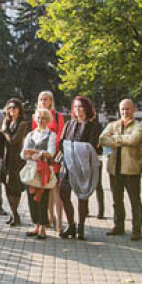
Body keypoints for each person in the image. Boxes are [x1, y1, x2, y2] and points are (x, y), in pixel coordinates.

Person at [99, 99, 142, 240]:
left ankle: (136, 230)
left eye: (128, 109)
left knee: (134, 201)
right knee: (116, 200)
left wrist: (116, 139)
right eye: (123, 109)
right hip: (114, 169)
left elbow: (135, 140)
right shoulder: (113, 124)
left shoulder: (139, 125)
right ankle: (118, 226)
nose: (125, 111)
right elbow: (102, 139)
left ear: (134, 109)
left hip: (131, 169)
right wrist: (124, 140)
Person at [58, 96, 103, 240]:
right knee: (63, 192)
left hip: (84, 166)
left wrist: (74, 149)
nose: (78, 110)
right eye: (75, 107)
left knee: (82, 196)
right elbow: (61, 142)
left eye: (81, 107)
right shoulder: (69, 124)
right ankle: (71, 224)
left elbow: (92, 146)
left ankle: (81, 227)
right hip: (68, 164)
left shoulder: (94, 126)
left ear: (87, 108)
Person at [33, 91, 66, 232]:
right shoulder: (36, 116)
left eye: (46, 99)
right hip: (42, 158)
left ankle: (59, 221)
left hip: (54, 157)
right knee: (44, 189)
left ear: (51, 101)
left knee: (56, 190)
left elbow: (61, 136)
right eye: (41, 99)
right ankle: (48, 217)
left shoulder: (58, 117)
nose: (43, 101)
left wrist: (53, 151)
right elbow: (34, 136)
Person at [23, 108, 58, 239]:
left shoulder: (51, 135)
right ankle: (36, 225)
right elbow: (23, 153)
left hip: (43, 171)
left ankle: (43, 226)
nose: (40, 120)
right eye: (38, 118)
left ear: (48, 120)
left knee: (43, 198)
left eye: (43, 118)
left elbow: (51, 152)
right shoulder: (30, 135)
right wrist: (32, 154)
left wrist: (38, 153)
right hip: (31, 170)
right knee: (31, 198)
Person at [0, 98, 29, 226]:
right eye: (9, 108)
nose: (11, 110)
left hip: (16, 159)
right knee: (6, 185)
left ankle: (15, 214)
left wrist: (4, 130)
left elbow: (14, 140)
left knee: (15, 187)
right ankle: (13, 213)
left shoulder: (23, 123)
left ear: (19, 109)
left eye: (14, 108)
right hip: (5, 158)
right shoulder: (7, 122)